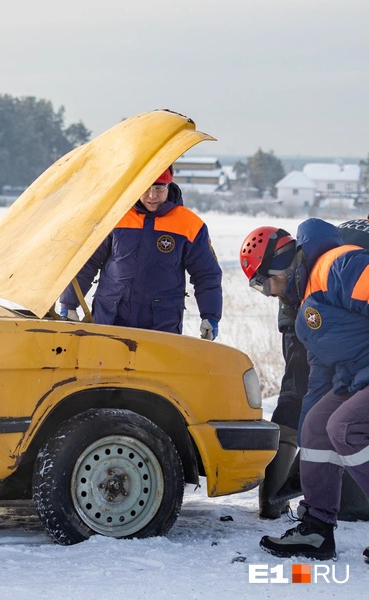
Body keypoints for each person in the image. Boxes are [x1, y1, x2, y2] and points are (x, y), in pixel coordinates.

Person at [240, 218, 369, 561]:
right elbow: (320, 377)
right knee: (316, 425)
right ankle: (317, 528)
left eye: (265, 285)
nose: (269, 294)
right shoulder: (305, 312)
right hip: (357, 379)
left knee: (345, 427)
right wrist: (307, 422)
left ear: (280, 265)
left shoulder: (337, 264)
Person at [59, 166, 222, 340]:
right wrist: (69, 303)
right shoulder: (115, 217)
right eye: (146, 188)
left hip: (161, 325)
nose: (152, 196)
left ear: (169, 185)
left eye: (159, 188)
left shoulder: (190, 225)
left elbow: (206, 274)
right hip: (110, 318)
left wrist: (210, 316)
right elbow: (88, 262)